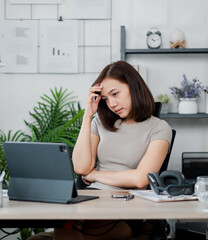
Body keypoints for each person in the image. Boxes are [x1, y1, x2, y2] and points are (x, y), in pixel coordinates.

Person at [55, 61, 172, 240]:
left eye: (115, 94)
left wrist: (94, 175)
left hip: (125, 204)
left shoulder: (159, 128)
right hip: (90, 198)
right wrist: (88, 115)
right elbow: (80, 167)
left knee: (77, 234)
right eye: (105, 99)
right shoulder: (99, 123)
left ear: (134, 87)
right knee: (65, 229)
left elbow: (141, 179)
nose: (111, 104)